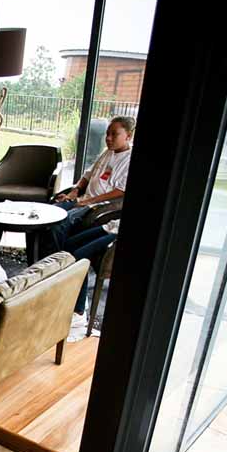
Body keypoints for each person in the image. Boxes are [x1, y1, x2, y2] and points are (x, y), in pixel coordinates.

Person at [49, 116, 134, 338]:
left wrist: (86, 201)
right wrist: (75, 191)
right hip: (86, 203)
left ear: (128, 135)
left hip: (97, 208)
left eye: (114, 134)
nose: (108, 138)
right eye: (107, 133)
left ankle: (68, 292)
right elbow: (87, 176)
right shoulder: (107, 153)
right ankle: (53, 270)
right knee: (49, 216)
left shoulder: (129, 160)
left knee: (63, 232)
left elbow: (119, 192)